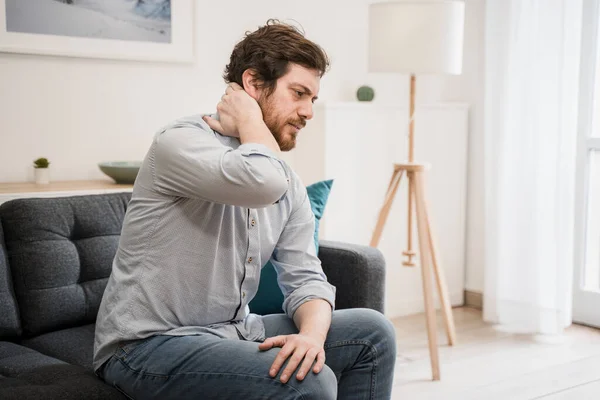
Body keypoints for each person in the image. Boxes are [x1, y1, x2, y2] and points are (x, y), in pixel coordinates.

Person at [93, 19, 397, 399]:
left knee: (373, 332)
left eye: (313, 99)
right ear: (252, 84)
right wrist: (252, 120)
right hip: (146, 347)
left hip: (234, 332)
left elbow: (306, 280)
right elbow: (262, 182)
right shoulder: (180, 143)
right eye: (298, 93)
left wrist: (311, 338)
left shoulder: (287, 180)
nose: (308, 112)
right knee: (312, 381)